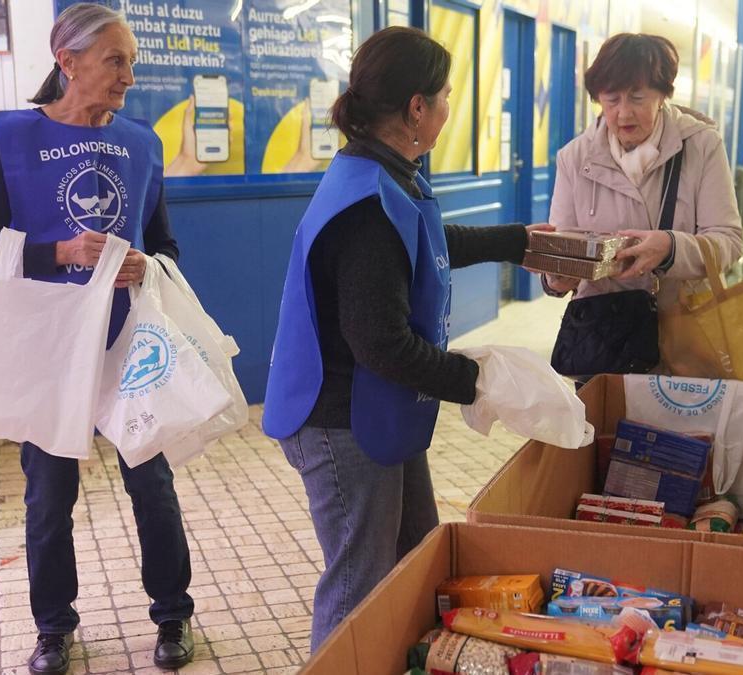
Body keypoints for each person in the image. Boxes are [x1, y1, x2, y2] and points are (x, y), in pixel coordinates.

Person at [262, 26, 546, 650]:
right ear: (417, 107)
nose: (448, 108)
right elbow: (382, 345)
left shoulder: (386, 173)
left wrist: (520, 242)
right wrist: (478, 381)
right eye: (445, 97)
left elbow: (427, 242)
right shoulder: (366, 202)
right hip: (340, 420)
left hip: (377, 411)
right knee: (359, 585)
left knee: (415, 556)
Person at [0, 4, 194, 673]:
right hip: (48, 346)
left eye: (131, 62)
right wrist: (59, 251)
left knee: (153, 486)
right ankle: (53, 628)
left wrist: (148, 264)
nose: (129, 77)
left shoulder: (142, 144)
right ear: (67, 61)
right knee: (48, 498)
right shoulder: (11, 138)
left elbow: (166, 245)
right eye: (115, 60)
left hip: (127, 342)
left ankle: (173, 614)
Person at [545, 33, 743, 373]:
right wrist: (557, 277)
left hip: (683, 337)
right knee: (604, 410)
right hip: (605, 342)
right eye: (611, 100)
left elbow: (729, 241)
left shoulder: (702, 146)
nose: (623, 113)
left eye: (637, 98)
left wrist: (670, 248)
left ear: (663, 94)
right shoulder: (575, 157)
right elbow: (564, 243)